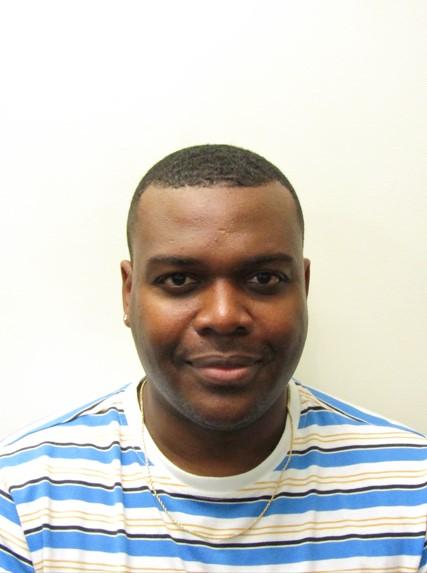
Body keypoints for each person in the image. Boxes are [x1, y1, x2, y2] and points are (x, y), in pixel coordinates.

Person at [0, 144, 426, 572]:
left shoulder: (413, 489)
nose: (223, 317)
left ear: (304, 286)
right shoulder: (24, 494)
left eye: (264, 278)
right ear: (128, 293)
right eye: (179, 279)